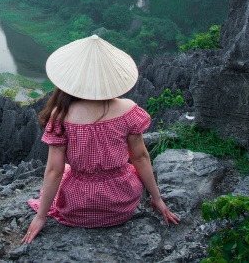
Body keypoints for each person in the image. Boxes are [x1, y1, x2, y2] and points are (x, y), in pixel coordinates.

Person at [22, 34, 179, 244]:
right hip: (122, 205)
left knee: (69, 171)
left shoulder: (61, 116)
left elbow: (54, 171)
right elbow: (141, 157)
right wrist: (157, 199)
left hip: (78, 208)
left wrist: (41, 216)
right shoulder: (129, 111)